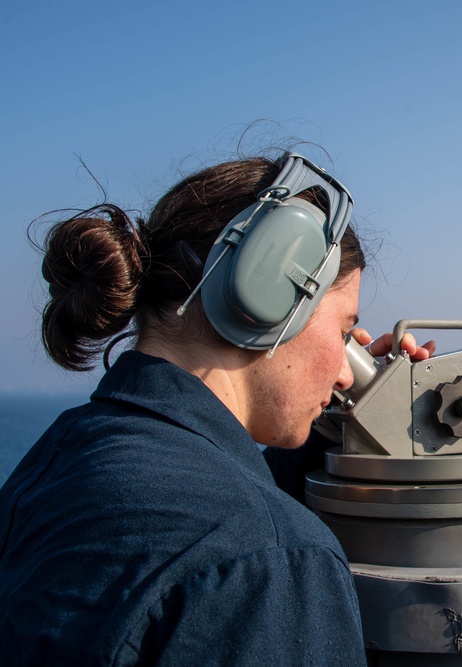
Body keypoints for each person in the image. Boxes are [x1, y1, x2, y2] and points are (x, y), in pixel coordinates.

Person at [0, 151, 431, 665]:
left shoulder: (59, 457)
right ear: (265, 301)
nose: (345, 371)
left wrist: (344, 427)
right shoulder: (270, 562)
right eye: (342, 332)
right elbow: (235, 523)